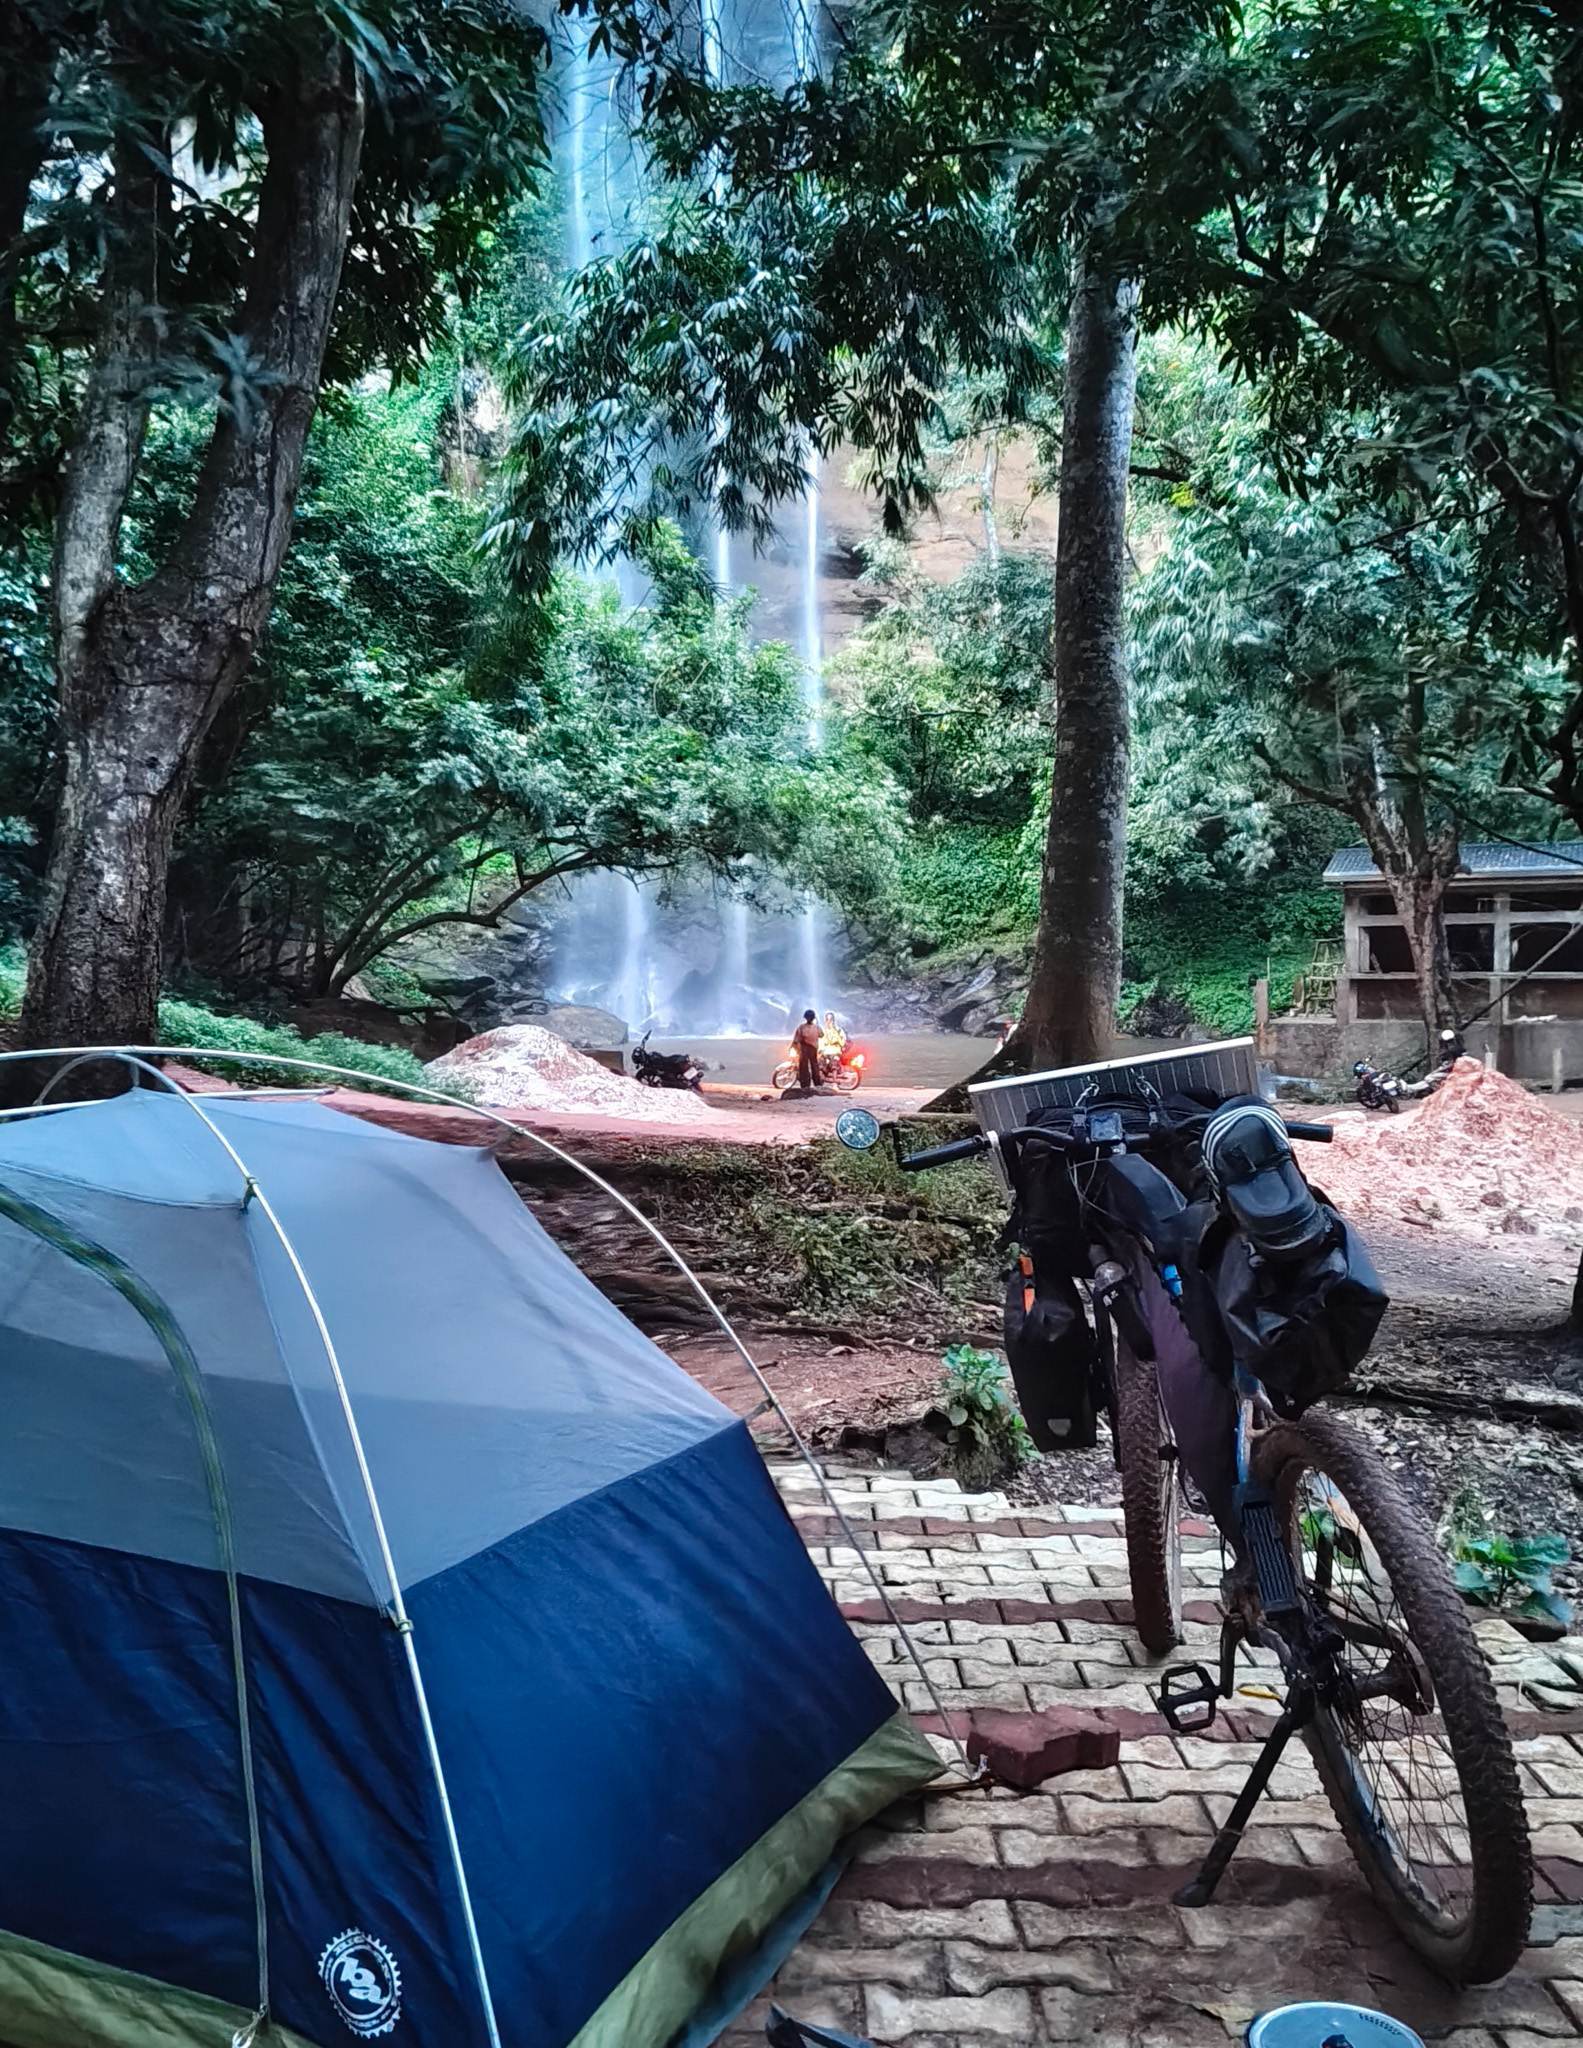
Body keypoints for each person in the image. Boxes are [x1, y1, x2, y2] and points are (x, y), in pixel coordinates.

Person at [792, 1009, 822, 1093]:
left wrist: (794, 1047)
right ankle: (817, 1084)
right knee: (814, 1066)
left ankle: (805, 1085)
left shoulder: (801, 1027)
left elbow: (796, 1039)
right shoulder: (817, 1027)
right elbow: (822, 1035)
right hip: (813, 1049)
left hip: (804, 1049)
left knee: (804, 1067)